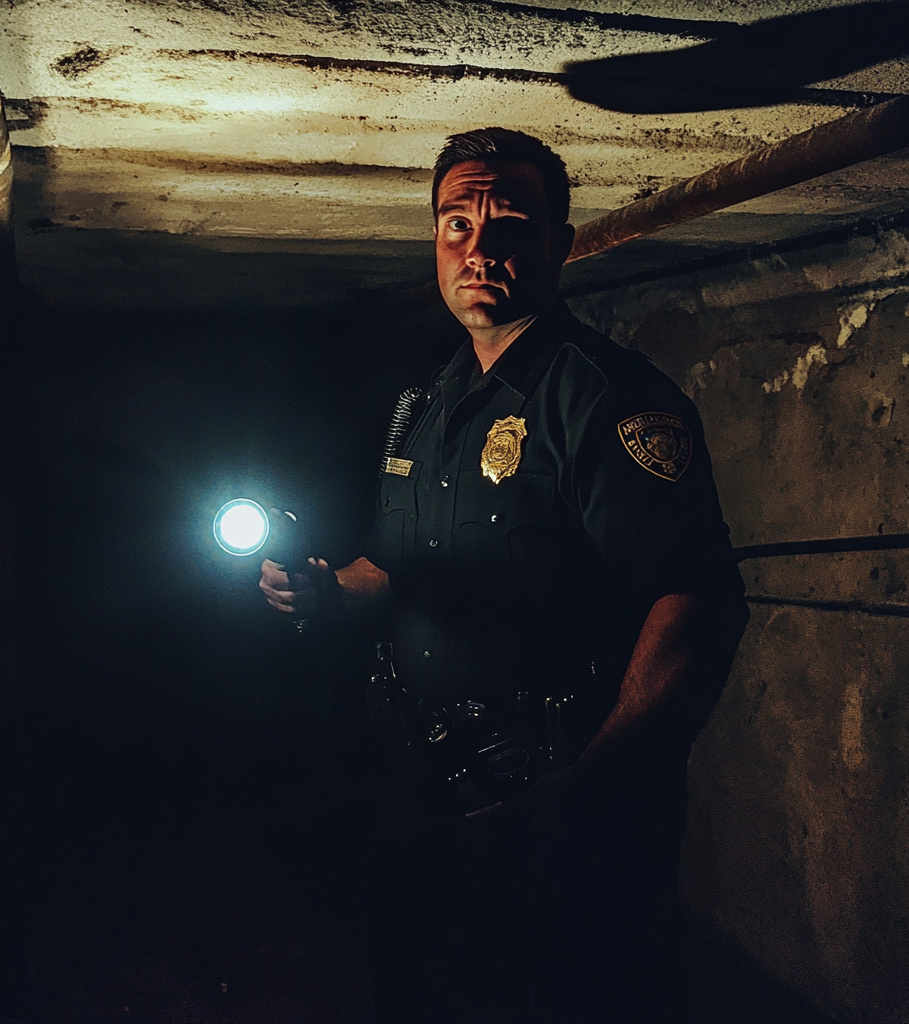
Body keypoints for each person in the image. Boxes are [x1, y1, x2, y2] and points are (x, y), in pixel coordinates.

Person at [260, 128, 748, 1023]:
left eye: (509, 223)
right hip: (425, 790)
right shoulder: (429, 404)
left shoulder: (604, 398)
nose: (478, 247)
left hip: (559, 803)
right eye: (456, 224)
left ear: (561, 242)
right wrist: (328, 588)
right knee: (430, 992)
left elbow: (695, 598)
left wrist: (595, 788)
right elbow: (398, 567)